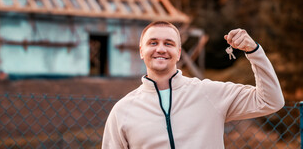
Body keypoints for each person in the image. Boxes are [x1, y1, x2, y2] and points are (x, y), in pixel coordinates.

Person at [102, 21, 284, 149]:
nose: (161, 49)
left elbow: (270, 101)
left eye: (168, 43)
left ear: (178, 53)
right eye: (153, 43)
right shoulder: (123, 111)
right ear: (142, 51)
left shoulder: (210, 93)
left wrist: (254, 51)